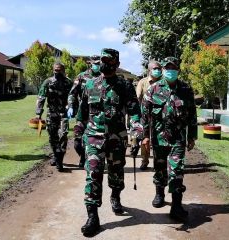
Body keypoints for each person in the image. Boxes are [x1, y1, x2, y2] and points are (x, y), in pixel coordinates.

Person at [74, 48, 142, 236]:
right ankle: (93, 216)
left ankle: (115, 195)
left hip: (116, 139)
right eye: (102, 60)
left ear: (116, 64)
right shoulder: (90, 85)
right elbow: (82, 113)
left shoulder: (124, 86)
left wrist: (136, 132)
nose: (104, 64)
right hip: (94, 138)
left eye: (108, 61)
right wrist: (78, 135)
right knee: (93, 174)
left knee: (116, 172)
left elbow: (135, 112)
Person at [141, 57, 197, 222]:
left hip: (178, 139)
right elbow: (145, 114)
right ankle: (159, 194)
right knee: (159, 168)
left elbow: (192, 114)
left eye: (173, 67)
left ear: (178, 70)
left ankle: (176, 205)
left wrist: (192, 135)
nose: (170, 70)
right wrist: (144, 136)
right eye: (167, 68)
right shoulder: (153, 89)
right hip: (158, 138)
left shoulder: (186, 90)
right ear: (163, 70)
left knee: (177, 171)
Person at [35, 62, 73, 172]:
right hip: (51, 114)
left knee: (63, 135)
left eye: (59, 70)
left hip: (63, 114)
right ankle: (56, 156)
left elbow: (73, 96)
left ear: (63, 71)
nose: (57, 72)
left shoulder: (68, 83)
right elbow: (41, 97)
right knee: (52, 137)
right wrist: (38, 113)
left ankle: (59, 159)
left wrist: (71, 107)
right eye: (55, 70)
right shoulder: (48, 82)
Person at [67, 55, 101, 168]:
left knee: (93, 140)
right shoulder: (82, 76)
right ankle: (82, 155)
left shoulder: (103, 77)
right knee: (77, 141)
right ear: (90, 63)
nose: (96, 65)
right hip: (82, 113)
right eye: (94, 63)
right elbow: (72, 93)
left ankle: (90, 160)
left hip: (97, 115)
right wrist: (71, 106)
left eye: (98, 63)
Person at [136, 60, 162, 170]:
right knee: (145, 139)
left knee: (159, 140)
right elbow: (138, 98)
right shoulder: (143, 82)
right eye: (154, 68)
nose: (157, 70)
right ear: (149, 70)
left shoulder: (164, 82)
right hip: (145, 116)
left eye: (159, 69)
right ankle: (144, 161)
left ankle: (159, 161)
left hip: (160, 117)